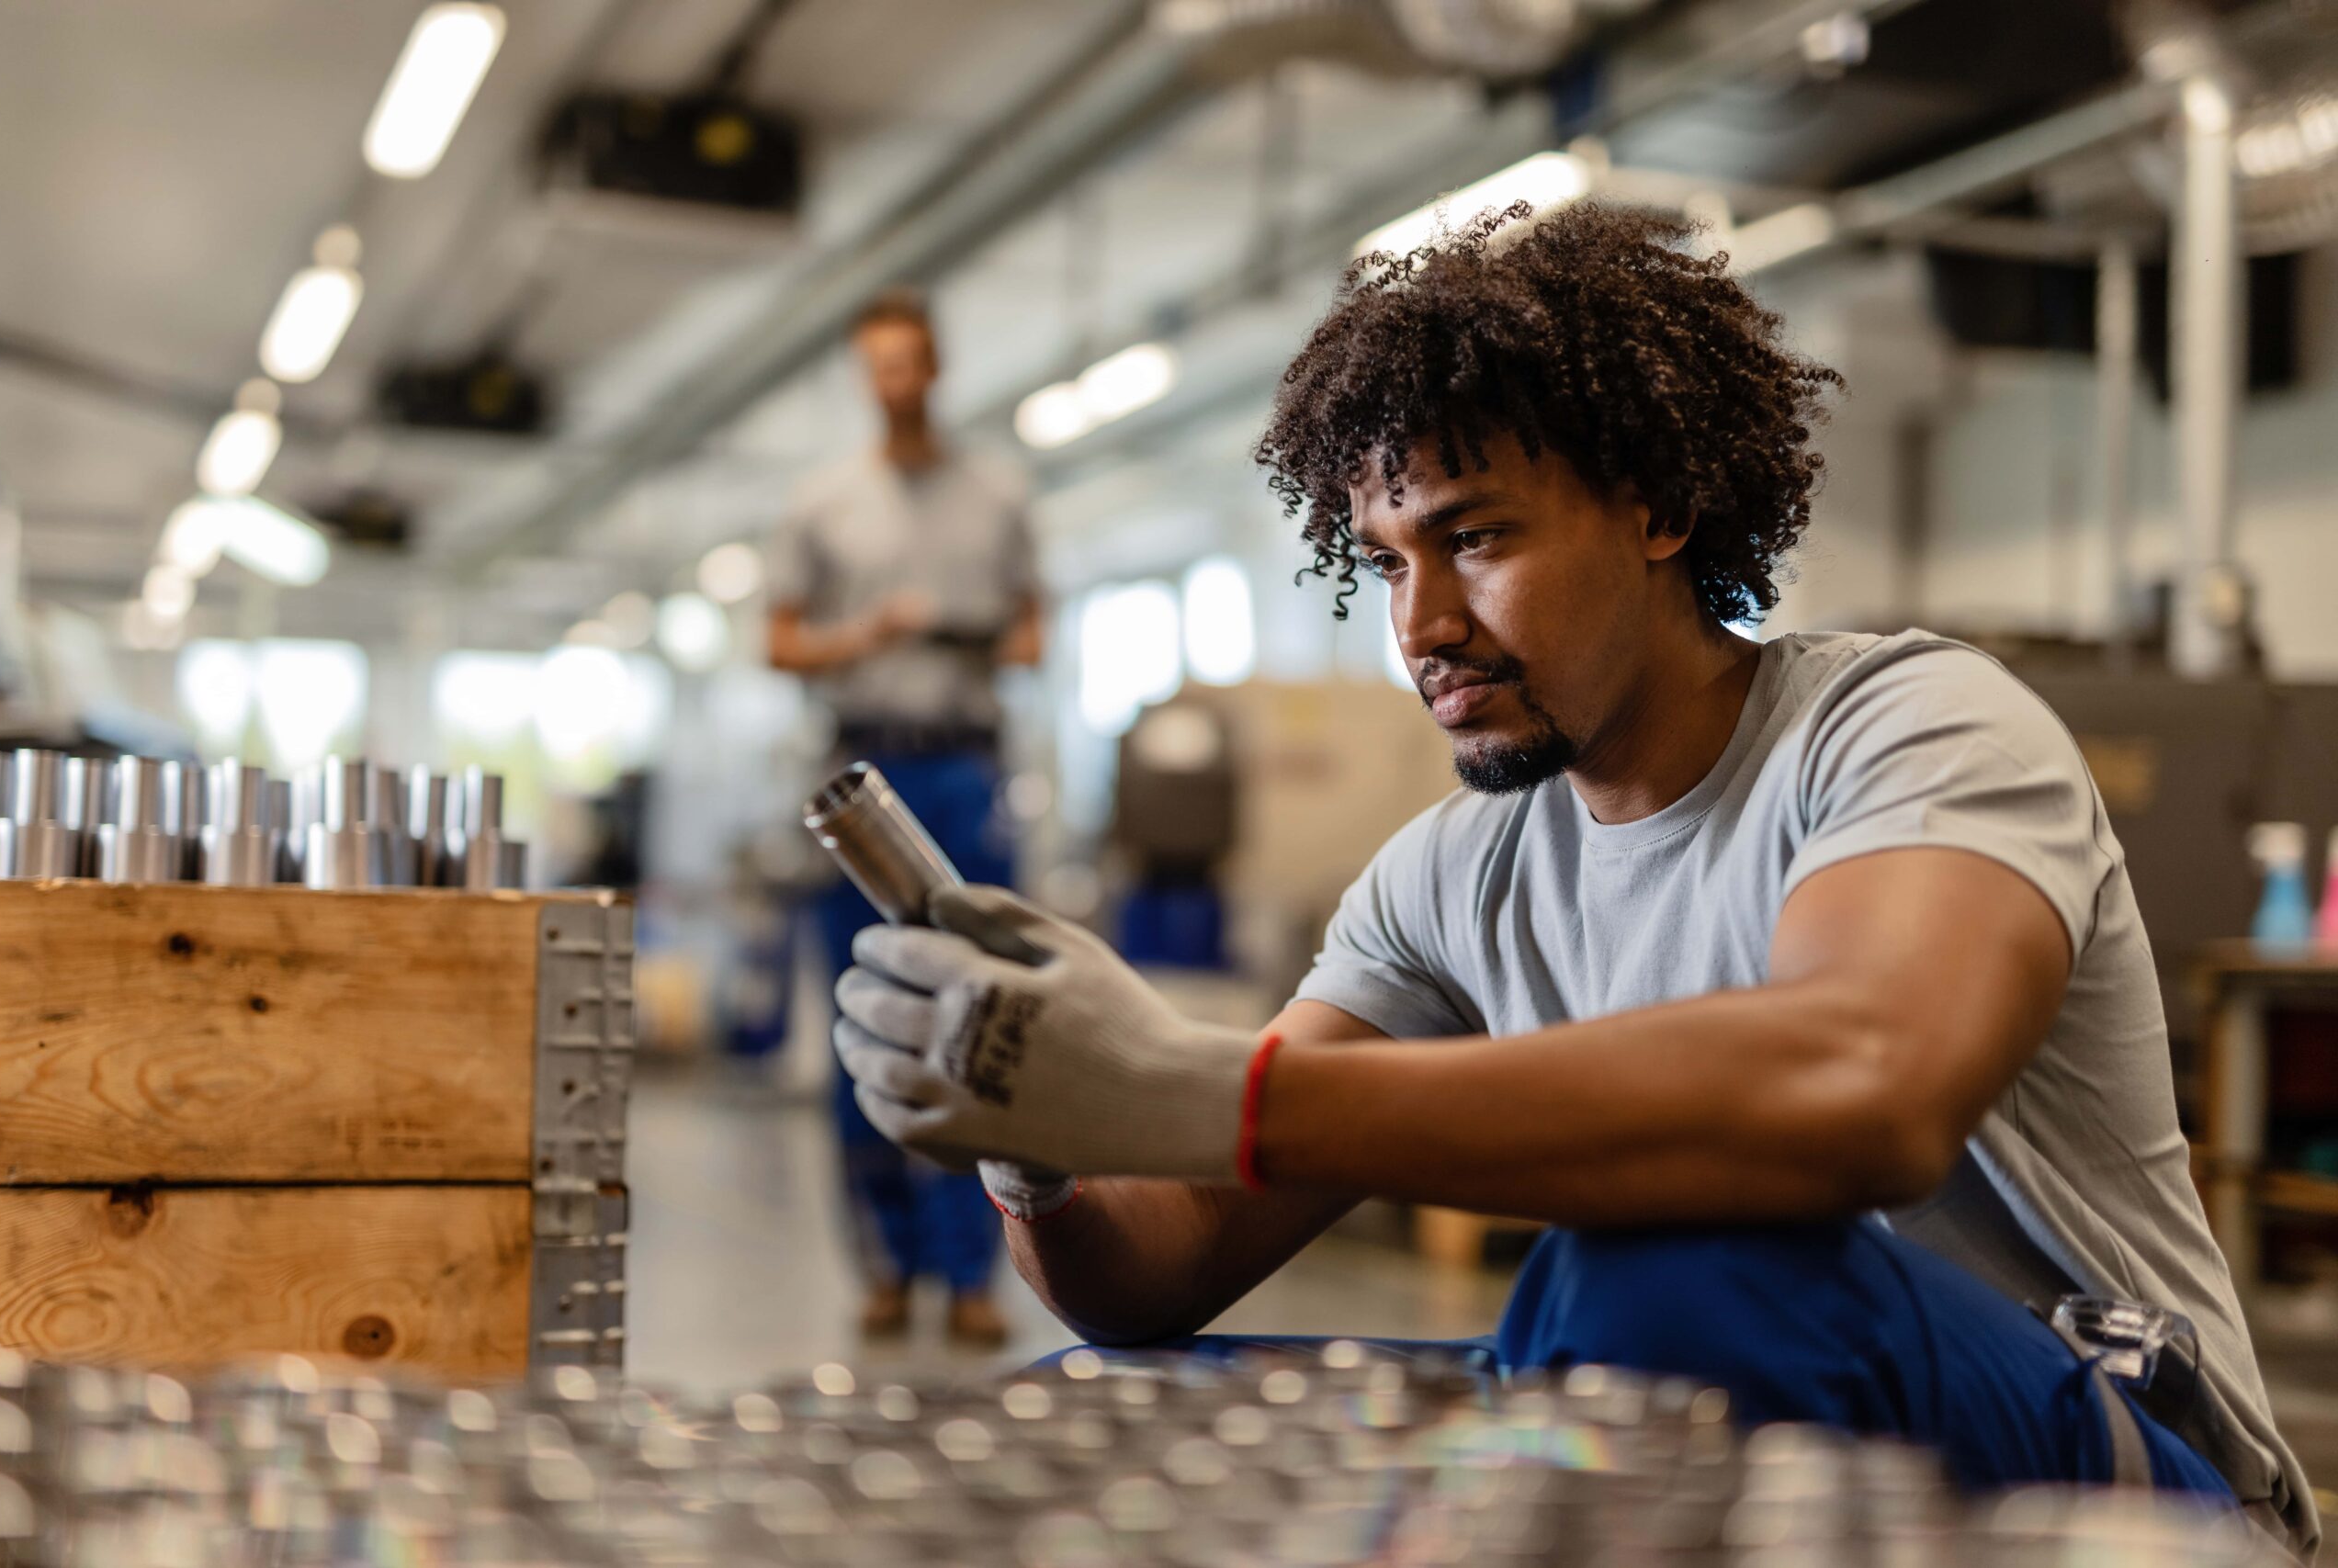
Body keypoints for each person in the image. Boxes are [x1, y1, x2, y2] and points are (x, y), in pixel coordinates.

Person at [826, 205, 2316, 1551]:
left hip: (2119, 1483)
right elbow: (1160, 1267)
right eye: (1387, 560)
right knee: (1097, 1415)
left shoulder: (1909, 726)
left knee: (1669, 1278)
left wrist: (1203, 1087)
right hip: (1777, 1439)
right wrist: (1040, 1129)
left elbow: (1867, 1089)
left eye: (1474, 540)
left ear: (1657, 506)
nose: (1422, 625)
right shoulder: (1453, 873)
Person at [764, 288, 1042, 1347]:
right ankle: (885, 1267)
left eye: (908, 363)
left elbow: (1030, 632)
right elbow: (779, 642)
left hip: (964, 775)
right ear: (861, 375)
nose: (893, 382)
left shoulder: (997, 495)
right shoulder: (823, 502)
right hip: (859, 772)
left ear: (935, 368)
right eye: (874, 365)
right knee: (864, 1018)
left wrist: (975, 638)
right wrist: (871, 634)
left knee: (975, 1020)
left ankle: (972, 1276)